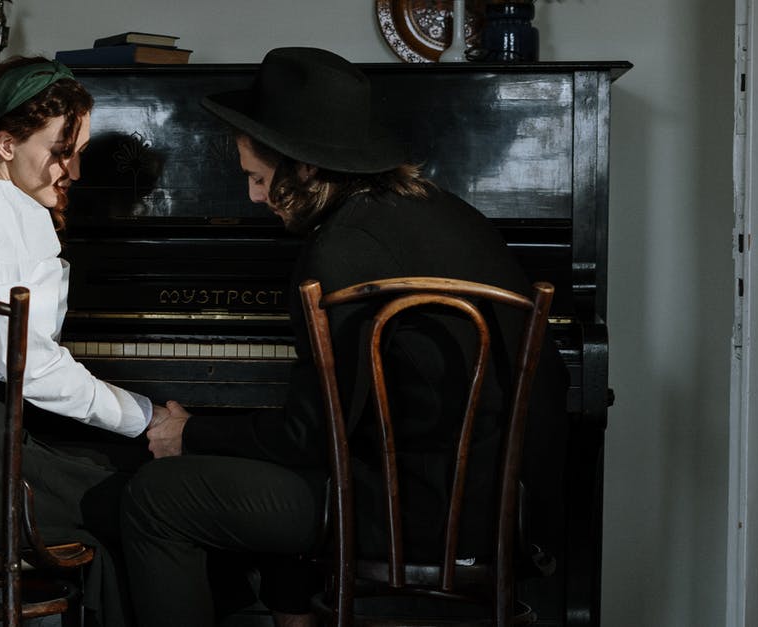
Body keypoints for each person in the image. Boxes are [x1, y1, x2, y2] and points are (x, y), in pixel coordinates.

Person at [121, 47, 569, 627]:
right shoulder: (441, 209)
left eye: (258, 178)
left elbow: (310, 436)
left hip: (414, 511)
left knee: (159, 497)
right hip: (505, 500)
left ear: (305, 165)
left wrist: (190, 431)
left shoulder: (342, 247)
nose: (254, 197)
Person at [0, 56, 172, 627]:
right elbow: (35, 370)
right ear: (6, 145)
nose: (74, 171)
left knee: (124, 477)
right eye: (59, 151)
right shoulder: (4, 214)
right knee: (159, 505)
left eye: (79, 151)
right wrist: (148, 417)